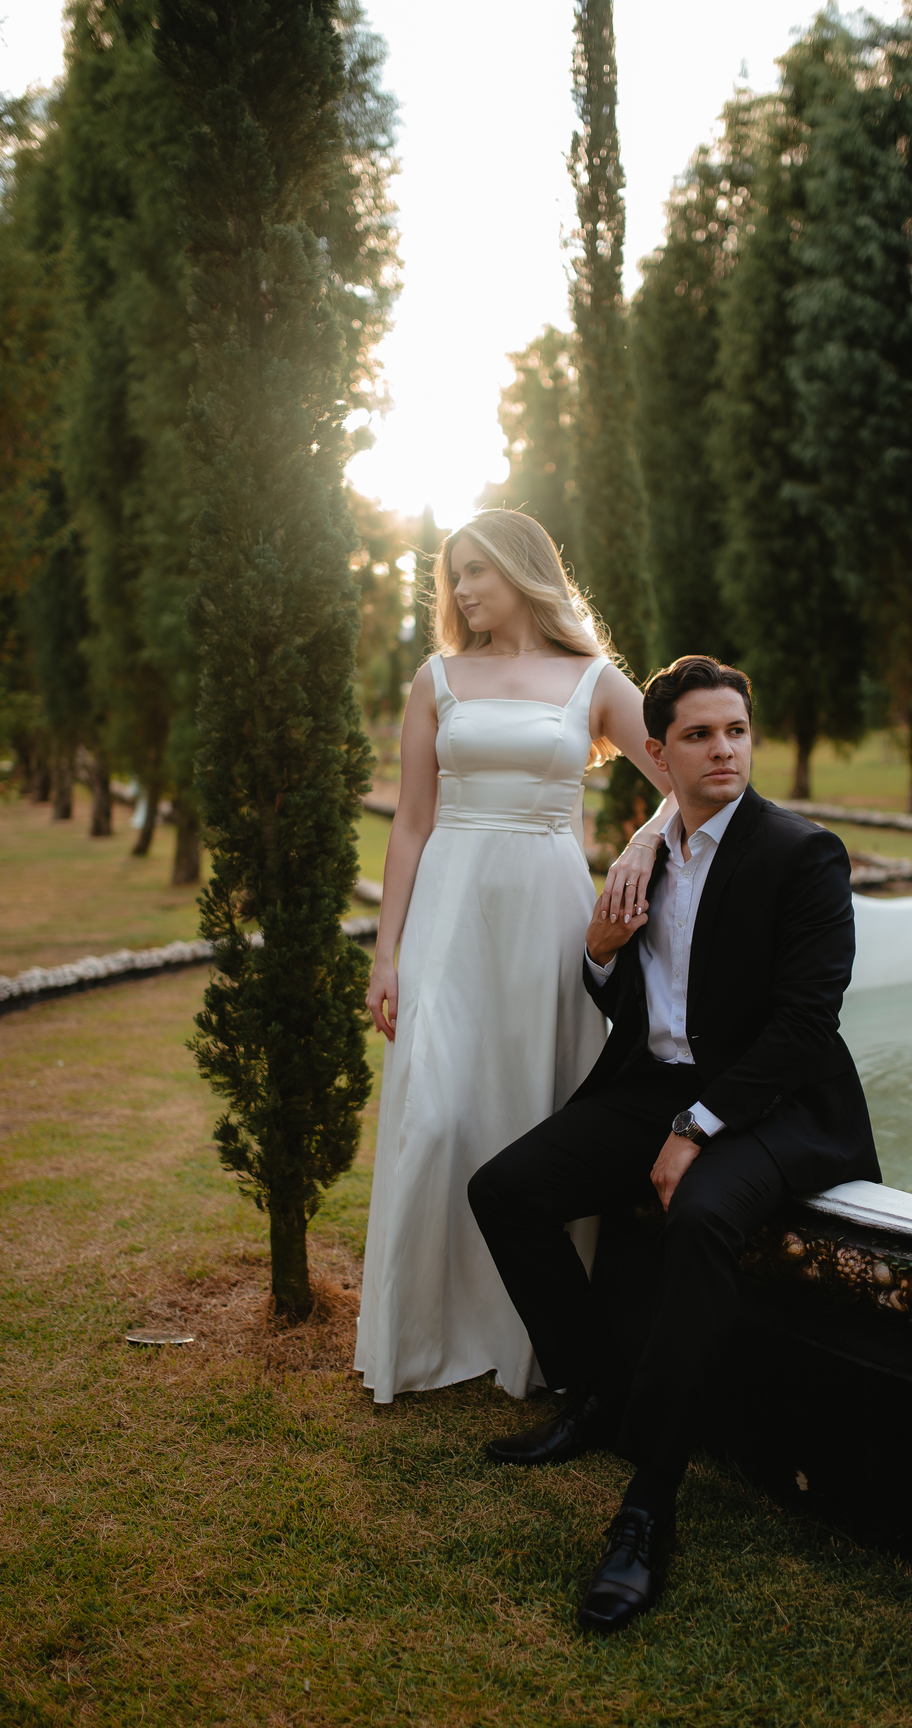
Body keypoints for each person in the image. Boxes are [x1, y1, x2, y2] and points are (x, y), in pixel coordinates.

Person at [468, 654, 880, 1634]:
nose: (723, 749)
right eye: (699, 735)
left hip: (777, 1102)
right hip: (655, 1083)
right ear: (659, 754)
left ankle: (648, 1506)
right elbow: (639, 1000)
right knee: (505, 1190)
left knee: (697, 1218)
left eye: (735, 730)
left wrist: (697, 1127)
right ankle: (596, 1390)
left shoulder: (803, 853)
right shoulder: (647, 853)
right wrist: (599, 954)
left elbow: (806, 1024)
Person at [354, 510, 674, 1405]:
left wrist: (644, 839)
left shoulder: (594, 680)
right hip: (449, 912)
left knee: (533, 1108)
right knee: (433, 1114)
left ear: (523, 571)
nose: (460, 591)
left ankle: (534, 1344)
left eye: (476, 571)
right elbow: (411, 822)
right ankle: (420, 1337)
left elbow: (682, 779)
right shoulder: (437, 678)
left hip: (548, 913)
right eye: (452, 575)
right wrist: (386, 954)